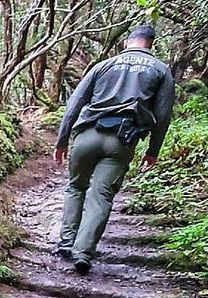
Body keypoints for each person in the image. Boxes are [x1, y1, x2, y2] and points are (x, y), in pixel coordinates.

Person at [54, 25, 175, 274]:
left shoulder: (103, 65)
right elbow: (162, 116)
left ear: (127, 43)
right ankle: (83, 253)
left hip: (87, 135)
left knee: (76, 187)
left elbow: (75, 103)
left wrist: (62, 140)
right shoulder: (161, 70)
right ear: (150, 44)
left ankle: (66, 242)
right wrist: (153, 150)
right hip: (121, 140)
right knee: (102, 196)